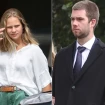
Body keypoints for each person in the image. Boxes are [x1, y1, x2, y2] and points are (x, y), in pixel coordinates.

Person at [52, 1, 105, 105]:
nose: (74, 23)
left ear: (92, 22)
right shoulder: (61, 56)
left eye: (80, 19)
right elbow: (55, 95)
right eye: (72, 19)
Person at [0, 8, 52, 105]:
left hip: (24, 97)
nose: (13, 30)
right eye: (9, 27)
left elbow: (44, 82)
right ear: (4, 29)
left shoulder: (33, 50)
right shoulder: (1, 49)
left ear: (23, 26)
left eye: (17, 26)